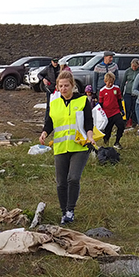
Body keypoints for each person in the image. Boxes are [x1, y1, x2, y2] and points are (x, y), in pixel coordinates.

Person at [40, 70, 94, 225]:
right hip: (61, 147)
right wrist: (44, 133)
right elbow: (50, 122)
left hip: (80, 146)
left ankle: (71, 210)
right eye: (61, 86)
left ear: (72, 85)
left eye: (66, 86)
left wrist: (90, 137)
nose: (64, 89)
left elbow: (89, 122)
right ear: (57, 87)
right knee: (61, 182)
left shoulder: (82, 100)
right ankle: (64, 212)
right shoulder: (54, 102)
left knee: (73, 178)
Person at [97, 72, 125, 147]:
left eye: (112, 82)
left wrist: (121, 109)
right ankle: (106, 143)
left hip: (116, 111)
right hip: (107, 114)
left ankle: (117, 142)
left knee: (121, 125)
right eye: (109, 82)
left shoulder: (116, 89)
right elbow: (101, 103)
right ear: (105, 81)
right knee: (107, 130)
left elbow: (119, 100)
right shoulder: (102, 91)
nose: (110, 84)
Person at [120, 58, 139, 129]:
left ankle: (135, 123)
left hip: (136, 94)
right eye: (133, 66)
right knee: (127, 108)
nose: (134, 68)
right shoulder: (127, 71)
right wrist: (121, 92)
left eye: (135, 66)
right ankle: (126, 122)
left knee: (135, 109)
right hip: (128, 93)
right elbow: (123, 82)